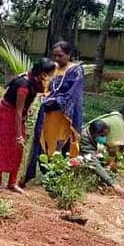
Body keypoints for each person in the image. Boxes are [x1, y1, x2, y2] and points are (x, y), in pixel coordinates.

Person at [22, 41, 86, 185]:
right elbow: (40, 79)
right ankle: (46, 176)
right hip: (47, 114)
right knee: (42, 142)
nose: (57, 58)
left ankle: (59, 178)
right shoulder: (53, 68)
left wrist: (49, 101)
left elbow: (71, 94)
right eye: (55, 55)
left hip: (63, 117)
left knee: (61, 146)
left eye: (60, 55)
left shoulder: (75, 70)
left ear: (69, 55)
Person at [0, 58, 57, 192]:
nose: (51, 77)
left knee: (17, 150)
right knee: (3, 147)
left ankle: (12, 183)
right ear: (43, 74)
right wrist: (19, 134)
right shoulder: (24, 86)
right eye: (50, 74)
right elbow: (18, 111)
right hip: (8, 116)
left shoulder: (34, 80)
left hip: (17, 115)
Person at [78, 120, 124, 195]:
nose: (104, 138)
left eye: (105, 135)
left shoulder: (91, 134)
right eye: (102, 135)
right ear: (95, 134)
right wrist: (114, 185)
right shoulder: (84, 139)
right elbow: (94, 164)